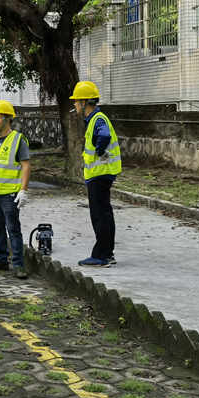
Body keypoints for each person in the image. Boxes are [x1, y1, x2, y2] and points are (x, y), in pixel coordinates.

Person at [70, 81, 122, 266]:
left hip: (100, 174)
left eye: (76, 101)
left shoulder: (97, 119)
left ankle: (102, 256)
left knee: (100, 215)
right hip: (101, 174)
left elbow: (105, 136)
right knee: (104, 213)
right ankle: (107, 253)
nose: (75, 105)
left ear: (85, 102)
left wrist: (100, 151)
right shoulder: (95, 119)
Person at [0, 100, 32, 278]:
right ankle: (1, 260)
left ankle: (18, 265)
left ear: (7, 119)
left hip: (10, 195)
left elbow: (25, 166)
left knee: (13, 229)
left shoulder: (18, 140)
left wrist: (23, 190)